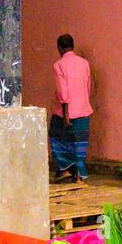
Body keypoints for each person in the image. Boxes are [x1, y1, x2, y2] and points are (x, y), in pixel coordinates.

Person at [50, 34, 93, 184]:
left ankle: (65, 169)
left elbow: (63, 92)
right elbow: (88, 87)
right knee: (80, 143)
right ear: (72, 46)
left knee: (57, 137)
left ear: (59, 48)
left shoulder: (58, 65)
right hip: (83, 109)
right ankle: (79, 174)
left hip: (65, 112)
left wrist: (66, 115)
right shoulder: (84, 63)